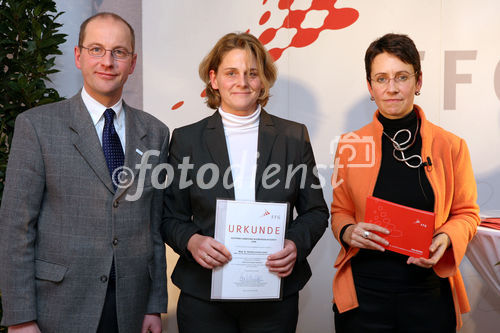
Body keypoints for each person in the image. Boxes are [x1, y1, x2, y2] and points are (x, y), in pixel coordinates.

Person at [0, 12, 168, 333]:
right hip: (58, 305)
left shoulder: (156, 132)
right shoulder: (37, 126)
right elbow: (16, 229)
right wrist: (21, 318)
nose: (107, 61)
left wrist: (154, 305)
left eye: (119, 52)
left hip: (131, 308)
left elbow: (154, 226)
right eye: (96, 50)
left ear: (132, 63)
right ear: (78, 56)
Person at [161, 32, 329, 333]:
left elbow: (316, 212)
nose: (243, 82)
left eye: (252, 73)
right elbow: (169, 216)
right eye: (231, 73)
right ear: (214, 79)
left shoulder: (293, 136)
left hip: (274, 296)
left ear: (263, 80)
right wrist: (191, 241)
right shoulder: (186, 139)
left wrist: (294, 244)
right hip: (204, 297)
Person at [330, 33, 480, 332]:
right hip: (364, 295)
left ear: (418, 82)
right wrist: (348, 231)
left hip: (428, 293)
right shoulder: (351, 145)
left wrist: (447, 237)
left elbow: (467, 213)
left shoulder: (451, 146)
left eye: (402, 77)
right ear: (370, 87)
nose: (392, 88)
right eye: (382, 79)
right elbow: (339, 212)